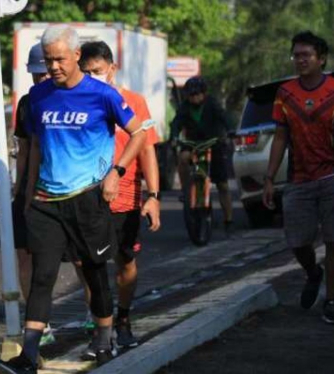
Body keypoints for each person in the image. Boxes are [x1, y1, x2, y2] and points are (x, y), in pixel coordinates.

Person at [0, 25, 146, 373]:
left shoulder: (101, 94)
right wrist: (25, 197)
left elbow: (138, 133)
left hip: (88, 199)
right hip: (47, 202)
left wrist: (116, 172)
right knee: (42, 276)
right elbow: (31, 149)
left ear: (76, 55)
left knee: (93, 272)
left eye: (60, 59)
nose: (54, 66)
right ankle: (28, 355)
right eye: (49, 60)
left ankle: (105, 337)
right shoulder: (39, 98)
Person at [262, 31, 334, 326]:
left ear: (321, 59)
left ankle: (331, 301)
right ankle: (313, 272)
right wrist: (269, 178)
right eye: (296, 55)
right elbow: (280, 138)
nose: (300, 60)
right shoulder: (285, 94)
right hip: (298, 178)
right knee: (297, 241)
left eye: (306, 54)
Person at [77, 40, 161, 357]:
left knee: (125, 265)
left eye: (97, 71)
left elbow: (147, 148)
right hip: (88, 199)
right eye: (86, 72)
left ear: (112, 68)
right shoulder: (78, 102)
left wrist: (152, 196)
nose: (93, 78)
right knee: (92, 266)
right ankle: (102, 329)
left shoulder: (134, 102)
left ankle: (123, 319)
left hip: (126, 199)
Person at [12, 42, 55, 347]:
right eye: (35, 74)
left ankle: (99, 320)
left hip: (64, 188)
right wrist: (18, 190)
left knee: (81, 262)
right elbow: (24, 149)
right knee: (24, 256)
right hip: (31, 188)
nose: (40, 79)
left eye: (44, 73)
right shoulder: (26, 103)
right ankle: (41, 326)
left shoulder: (67, 99)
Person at [170, 76, 234, 234]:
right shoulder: (184, 107)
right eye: (190, 95)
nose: (194, 97)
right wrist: (174, 137)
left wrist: (230, 131)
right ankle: (186, 190)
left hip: (214, 142)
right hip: (193, 143)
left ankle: (228, 219)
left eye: (197, 94)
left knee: (223, 185)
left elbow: (224, 117)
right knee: (183, 158)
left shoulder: (212, 103)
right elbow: (177, 122)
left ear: (204, 94)